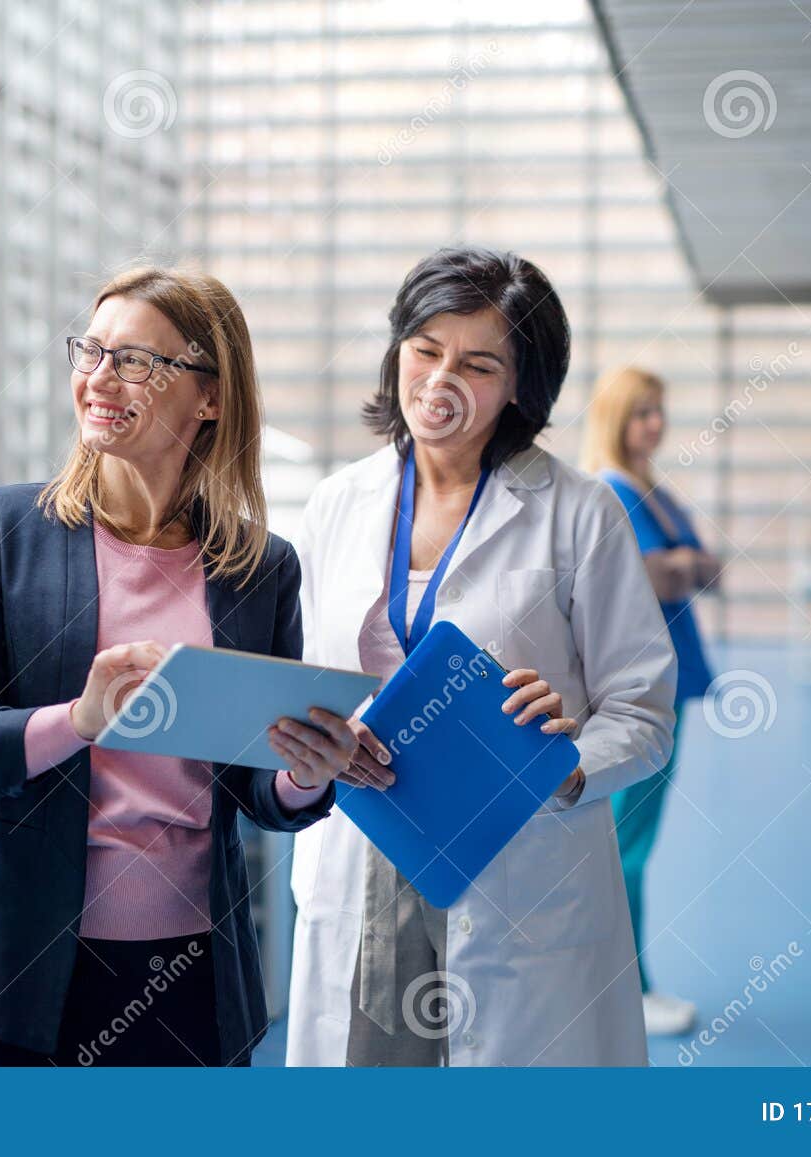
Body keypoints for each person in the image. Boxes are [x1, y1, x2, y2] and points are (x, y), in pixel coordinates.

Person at [0, 267, 359, 1067]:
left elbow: (256, 785)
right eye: (92, 351)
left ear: (209, 398)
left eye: (136, 361)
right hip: (21, 962)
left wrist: (305, 775)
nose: (99, 379)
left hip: (190, 968)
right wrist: (78, 720)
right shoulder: (6, 527)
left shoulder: (259, 567)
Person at [284, 247, 678, 1067]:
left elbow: (643, 712)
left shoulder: (579, 512)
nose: (440, 379)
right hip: (367, 850)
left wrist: (564, 764)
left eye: (479, 363)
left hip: (517, 850)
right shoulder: (336, 504)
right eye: (424, 349)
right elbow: (304, 677)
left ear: (521, 386)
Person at [580, 366, 718, 1037]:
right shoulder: (612, 491)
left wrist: (681, 567)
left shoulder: (651, 491)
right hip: (641, 691)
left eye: (660, 411)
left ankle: (622, 976)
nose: (655, 425)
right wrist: (681, 566)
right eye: (642, 413)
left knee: (632, 836)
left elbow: (700, 568)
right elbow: (642, 577)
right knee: (625, 842)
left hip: (671, 684)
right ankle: (628, 985)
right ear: (615, 418)